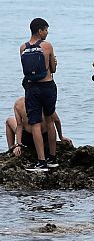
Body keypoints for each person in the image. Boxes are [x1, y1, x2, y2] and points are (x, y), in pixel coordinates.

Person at [19, 18, 58, 171]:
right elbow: (53, 69)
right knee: (49, 120)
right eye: (46, 30)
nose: (47, 33)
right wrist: (54, 61)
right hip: (48, 87)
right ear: (40, 30)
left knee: (35, 123)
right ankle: (52, 158)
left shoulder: (23, 47)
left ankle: (41, 161)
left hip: (32, 88)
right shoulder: (47, 46)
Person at [5, 97, 72, 156]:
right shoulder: (44, 101)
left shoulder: (19, 103)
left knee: (9, 120)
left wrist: (18, 144)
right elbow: (56, 120)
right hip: (45, 138)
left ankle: (12, 148)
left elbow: (19, 125)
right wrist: (61, 137)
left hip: (27, 138)